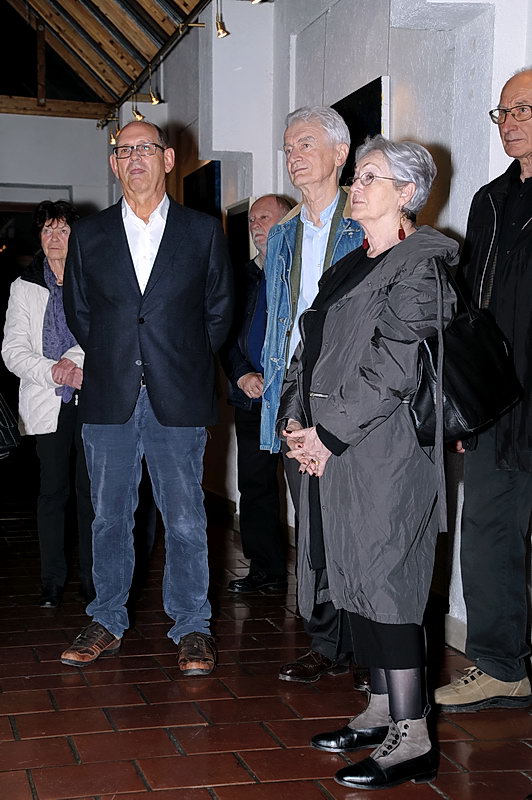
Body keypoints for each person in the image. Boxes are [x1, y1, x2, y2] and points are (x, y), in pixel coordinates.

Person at [279, 135, 457, 790]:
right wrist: (294, 421)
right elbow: (309, 348)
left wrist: (327, 434)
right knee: (355, 577)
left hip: (386, 452)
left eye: (372, 176)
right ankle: (382, 710)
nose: (357, 185)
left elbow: (394, 366)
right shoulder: (350, 265)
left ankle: (414, 737)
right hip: (335, 448)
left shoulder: (422, 264)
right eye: (357, 175)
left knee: (389, 585)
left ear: (407, 193)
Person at [60, 120, 233, 677]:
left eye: (146, 148)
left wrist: (177, 360)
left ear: (168, 159)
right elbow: (79, 312)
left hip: (177, 396)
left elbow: (218, 312)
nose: (135, 157)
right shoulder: (89, 235)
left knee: (185, 518)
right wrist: (119, 358)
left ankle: (192, 626)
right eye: (124, 150)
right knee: (109, 517)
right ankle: (106, 619)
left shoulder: (202, 231)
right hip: (109, 395)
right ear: (115, 164)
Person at [435, 67, 532, 712]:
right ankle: (501, 665)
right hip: (497, 404)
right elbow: (472, 305)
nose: (509, 123)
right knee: (489, 532)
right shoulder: (489, 201)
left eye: (523, 109)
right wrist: (464, 406)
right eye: (502, 112)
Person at [260, 106, 366, 685]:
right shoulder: (281, 235)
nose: (293, 155)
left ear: (340, 153)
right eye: (288, 146)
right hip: (297, 396)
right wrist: (280, 403)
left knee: (361, 522)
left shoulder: (368, 218)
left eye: (305, 143)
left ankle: (370, 643)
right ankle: (326, 643)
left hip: (356, 393)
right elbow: (278, 323)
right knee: (313, 524)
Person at [2, 200, 94, 608]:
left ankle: (94, 579)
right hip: (46, 396)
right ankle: (52, 581)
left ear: (76, 237)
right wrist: (53, 372)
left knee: (92, 492)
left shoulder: (93, 278)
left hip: (92, 395)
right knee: (52, 491)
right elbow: (12, 350)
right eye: (47, 230)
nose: (54, 237)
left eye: (62, 230)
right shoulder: (24, 287)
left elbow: (104, 332)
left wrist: (73, 362)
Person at [221, 194, 294, 593]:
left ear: (286, 221)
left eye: (265, 217)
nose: (255, 225)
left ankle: (321, 582)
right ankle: (265, 570)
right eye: (252, 220)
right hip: (251, 400)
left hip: (296, 400)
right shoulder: (241, 277)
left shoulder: (301, 271)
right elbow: (225, 335)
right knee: (254, 485)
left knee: (308, 487)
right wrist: (241, 374)